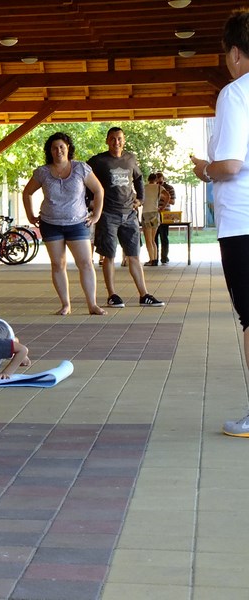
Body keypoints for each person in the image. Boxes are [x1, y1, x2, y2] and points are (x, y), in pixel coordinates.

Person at [190, 9, 249, 437]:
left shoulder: (235, 94)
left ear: (234, 53)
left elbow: (230, 164)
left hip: (243, 221)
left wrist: (205, 169)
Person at [22, 131, 106, 316]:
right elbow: (27, 192)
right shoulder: (42, 172)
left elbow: (99, 190)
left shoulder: (81, 168)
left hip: (77, 223)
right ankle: (65, 305)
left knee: (85, 263)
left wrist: (96, 215)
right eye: (54, 148)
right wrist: (30, 215)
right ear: (49, 151)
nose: (58, 151)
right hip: (50, 223)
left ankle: (92, 304)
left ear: (68, 148)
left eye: (61, 147)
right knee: (58, 264)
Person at [87, 127, 165, 308]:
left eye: (119, 138)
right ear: (107, 141)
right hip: (108, 214)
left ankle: (144, 295)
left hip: (129, 214)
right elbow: (83, 178)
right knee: (109, 255)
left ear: (124, 140)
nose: (116, 142)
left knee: (134, 255)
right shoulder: (98, 161)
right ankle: (112, 295)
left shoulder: (130, 158)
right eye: (113, 139)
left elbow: (138, 178)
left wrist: (140, 199)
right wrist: (89, 202)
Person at [141, 173, 171, 267]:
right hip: (155, 213)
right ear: (156, 180)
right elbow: (168, 196)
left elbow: (140, 200)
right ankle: (154, 259)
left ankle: (152, 259)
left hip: (146, 213)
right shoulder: (159, 187)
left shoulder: (144, 187)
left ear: (148, 179)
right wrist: (162, 207)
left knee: (148, 240)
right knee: (153, 239)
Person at [154, 171, 177, 264]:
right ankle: (154, 257)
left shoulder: (169, 188)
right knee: (154, 237)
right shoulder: (153, 188)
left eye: (160, 182)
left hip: (165, 214)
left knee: (164, 236)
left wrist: (164, 197)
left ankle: (164, 257)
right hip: (154, 213)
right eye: (157, 182)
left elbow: (173, 202)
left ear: (163, 179)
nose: (159, 184)